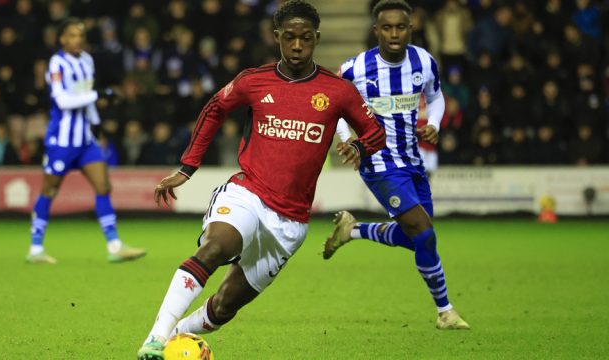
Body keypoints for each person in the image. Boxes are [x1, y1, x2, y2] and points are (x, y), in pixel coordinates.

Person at [137, 1, 386, 358]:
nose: (297, 46)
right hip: (247, 194)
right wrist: (187, 168)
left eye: (305, 38)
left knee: (224, 307)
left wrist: (362, 148)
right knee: (215, 248)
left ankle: (173, 336)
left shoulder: (337, 91)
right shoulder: (254, 81)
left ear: (316, 38)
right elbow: (214, 108)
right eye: (289, 38)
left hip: (290, 223)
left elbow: (375, 132)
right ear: (276, 38)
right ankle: (156, 339)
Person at [327, 0, 469, 330]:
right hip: (377, 162)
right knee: (424, 231)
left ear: (410, 28)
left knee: (417, 236)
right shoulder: (354, 68)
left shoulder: (424, 61)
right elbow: (335, 107)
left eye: (400, 27)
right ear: (376, 30)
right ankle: (445, 311)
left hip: (412, 160)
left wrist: (434, 121)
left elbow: (435, 96)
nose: (394, 33)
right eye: (387, 27)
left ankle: (355, 230)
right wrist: (347, 138)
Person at [26, 18, 146, 264]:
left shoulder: (87, 60)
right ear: (61, 39)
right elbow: (63, 101)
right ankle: (35, 248)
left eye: (80, 35)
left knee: (103, 186)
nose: (77, 39)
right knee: (49, 190)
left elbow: (86, 98)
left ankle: (114, 245)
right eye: (71, 35)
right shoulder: (57, 63)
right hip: (61, 141)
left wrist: (96, 121)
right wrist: (98, 94)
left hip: (85, 140)